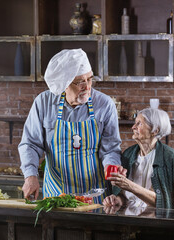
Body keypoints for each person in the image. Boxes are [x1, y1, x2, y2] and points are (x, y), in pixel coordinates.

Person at [19, 49, 122, 203]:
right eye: (80, 81)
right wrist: (30, 176)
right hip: (56, 193)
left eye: (89, 79)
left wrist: (112, 168)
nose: (87, 87)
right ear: (64, 83)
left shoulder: (105, 104)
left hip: (95, 195)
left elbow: (111, 149)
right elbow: (30, 144)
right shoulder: (44, 103)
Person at [103, 107, 174, 210]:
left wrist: (130, 186)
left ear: (155, 131)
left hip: (155, 221)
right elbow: (125, 196)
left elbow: (173, 203)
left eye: (139, 123)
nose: (133, 127)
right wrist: (117, 199)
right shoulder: (128, 154)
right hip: (129, 218)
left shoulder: (169, 157)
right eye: (135, 123)